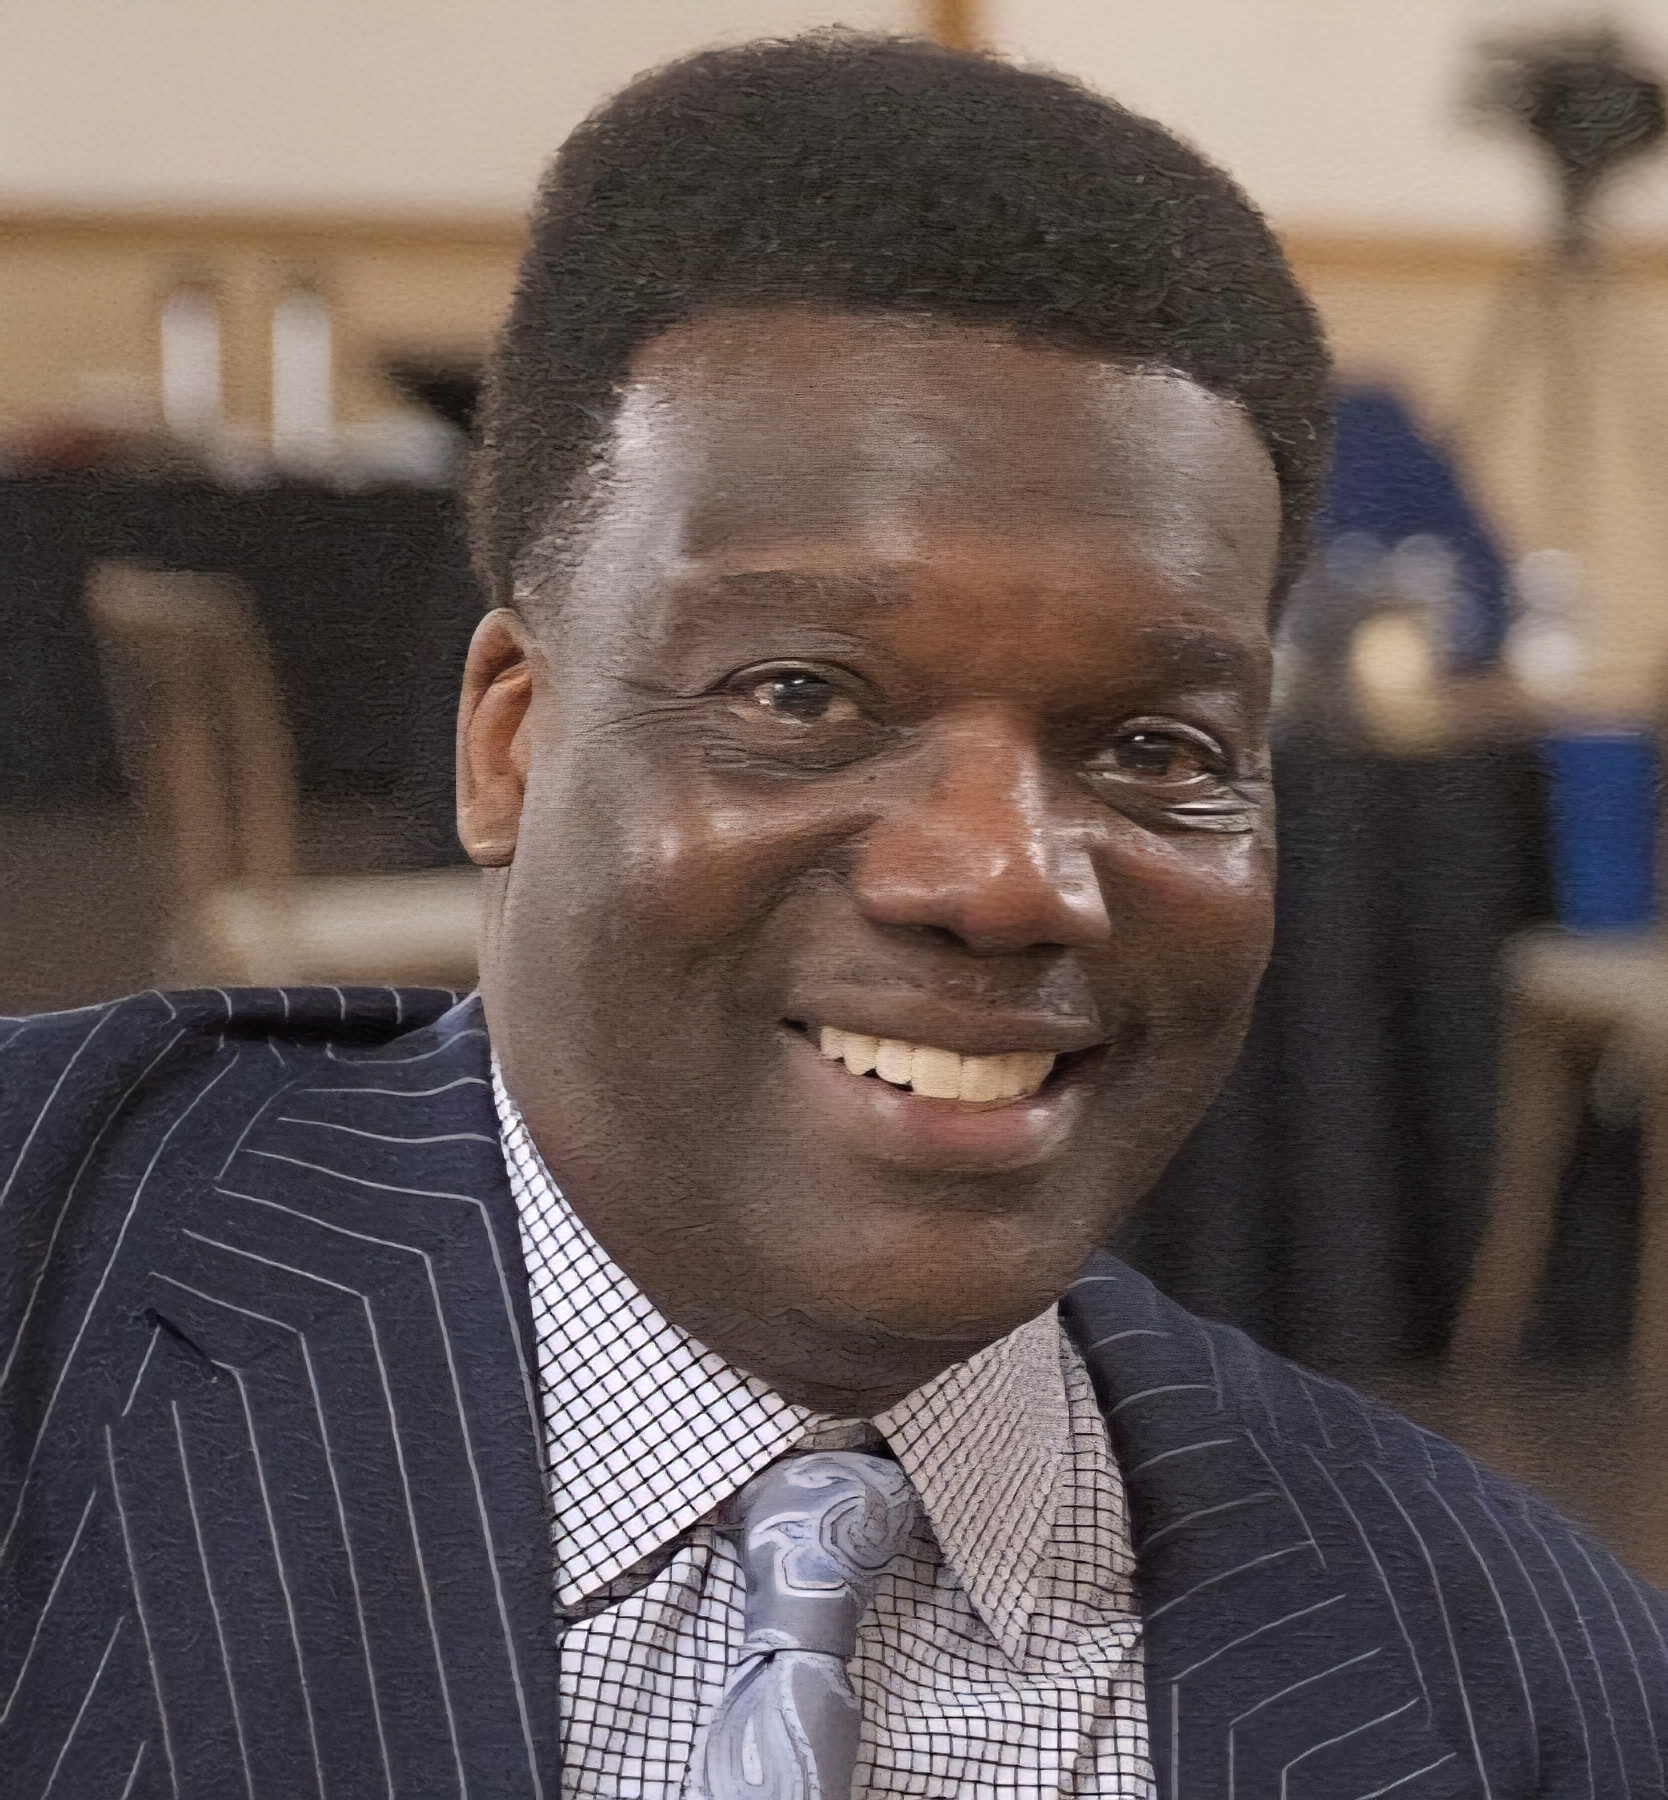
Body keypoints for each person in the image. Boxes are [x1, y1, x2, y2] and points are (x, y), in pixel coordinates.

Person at [2, 31, 1663, 1800]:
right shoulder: (46, 1286)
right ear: (511, 744)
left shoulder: (1530, 1699)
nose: (1005, 876)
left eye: (1155, 748)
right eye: (801, 696)